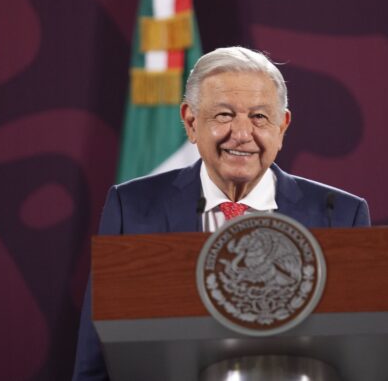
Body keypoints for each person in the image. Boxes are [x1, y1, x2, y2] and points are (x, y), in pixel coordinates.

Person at [72, 46, 370, 380]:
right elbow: (96, 359)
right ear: (191, 122)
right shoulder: (134, 208)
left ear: (282, 126)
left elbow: (358, 355)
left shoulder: (339, 215)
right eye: (224, 115)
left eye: (259, 117)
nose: (242, 135)